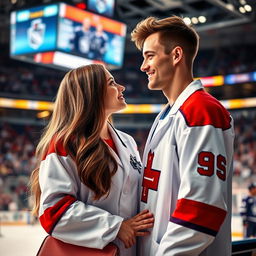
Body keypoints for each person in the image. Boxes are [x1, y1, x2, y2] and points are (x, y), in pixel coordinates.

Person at [131, 16, 235, 255]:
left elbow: (202, 208)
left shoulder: (202, 110)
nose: (143, 67)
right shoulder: (169, 113)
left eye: (149, 56)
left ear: (176, 55)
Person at [29, 64, 154, 256]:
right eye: (112, 82)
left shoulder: (127, 142)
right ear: (92, 94)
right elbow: (54, 212)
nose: (122, 87)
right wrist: (115, 227)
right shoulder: (63, 144)